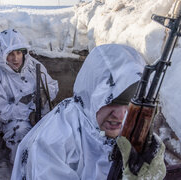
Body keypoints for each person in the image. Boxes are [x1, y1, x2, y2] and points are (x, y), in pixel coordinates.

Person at [11, 44, 166, 179]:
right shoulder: (51, 146)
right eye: (109, 101)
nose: (119, 115)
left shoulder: (131, 129)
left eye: (129, 104)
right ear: (91, 96)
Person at [0, 29, 59, 163]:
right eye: (10, 54)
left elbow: (52, 85)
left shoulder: (32, 64)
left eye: (19, 52)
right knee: (22, 135)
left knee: (55, 135)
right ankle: (22, 170)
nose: (16, 58)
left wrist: (44, 94)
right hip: (14, 119)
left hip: (41, 113)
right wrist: (28, 114)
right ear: (2, 55)